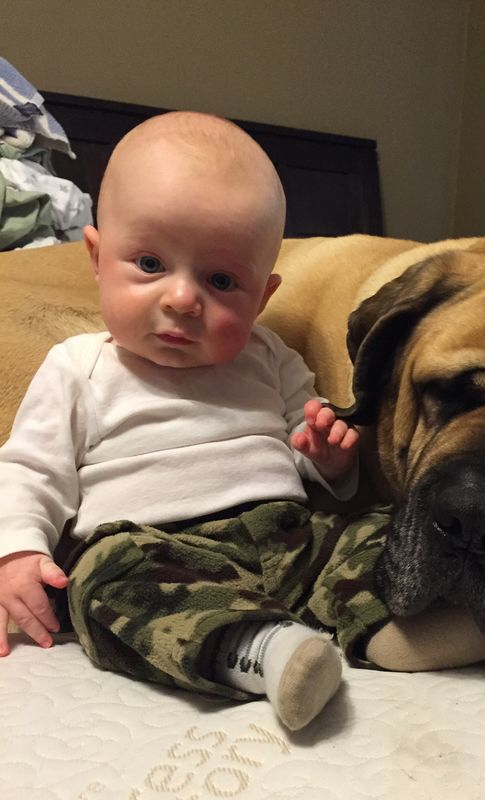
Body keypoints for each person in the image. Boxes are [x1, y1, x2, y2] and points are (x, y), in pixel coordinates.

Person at [0, 111, 394, 731]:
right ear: (97, 258)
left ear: (262, 297)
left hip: (287, 536)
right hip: (156, 549)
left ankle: (401, 628)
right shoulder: (78, 366)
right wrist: (17, 551)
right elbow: (30, 470)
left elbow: (309, 455)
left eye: (221, 280)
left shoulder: (271, 357)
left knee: (381, 529)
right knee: (100, 584)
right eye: (149, 263)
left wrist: (329, 458)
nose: (183, 299)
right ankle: (261, 649)